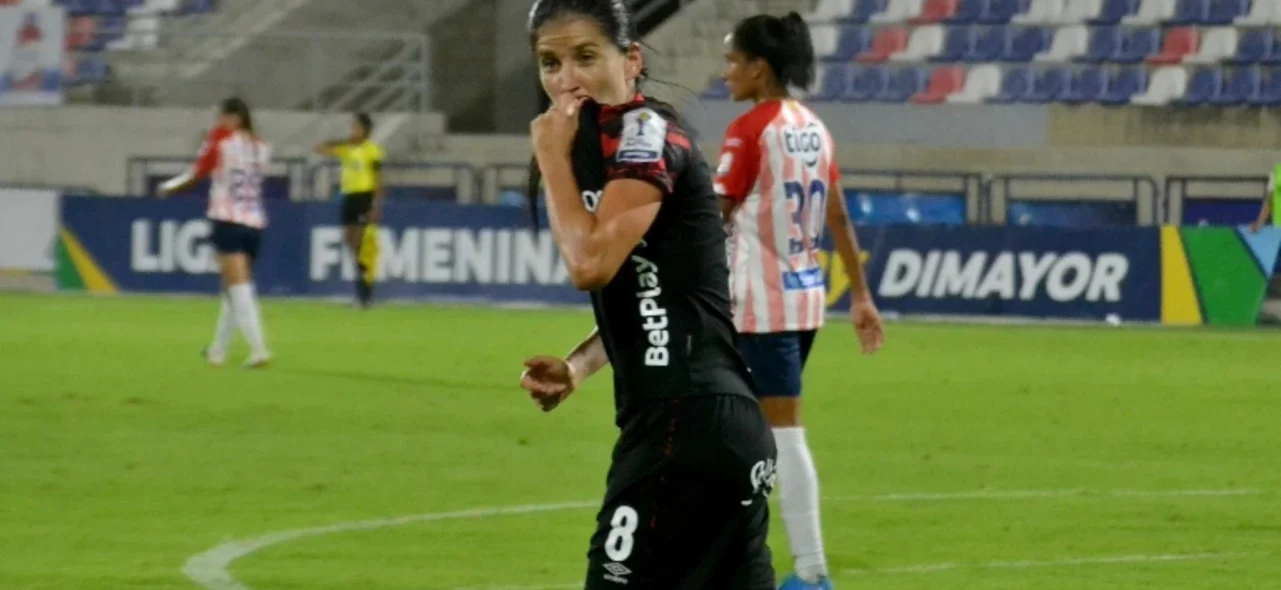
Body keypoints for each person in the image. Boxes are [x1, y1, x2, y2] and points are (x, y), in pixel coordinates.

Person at [516, 1, 778, 588]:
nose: (567, 79)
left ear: (630, 60)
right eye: (549, 63)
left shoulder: (644, 135)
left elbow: (590, 265)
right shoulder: (609, 147)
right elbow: (654, 288)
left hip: (681, 433)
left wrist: (551, 156)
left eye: (586, 57)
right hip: (715, 429)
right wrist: (580, 365)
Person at [714, 12, 886, 590]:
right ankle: (735, 554)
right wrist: (859, 295)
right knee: (745, 430)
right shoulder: (814, 126)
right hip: (804, 300)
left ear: (759, 69)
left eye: (733, 61)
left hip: (759, 304)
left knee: (779, 433)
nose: (726, 72)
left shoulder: (749, 129)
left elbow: (713, 214)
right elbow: (835, 209)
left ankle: (812, 574)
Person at [158, 97, 272, 369]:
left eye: (222, 117)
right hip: (254, 222)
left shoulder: (221, 139)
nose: (219, 122)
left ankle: (259, 349)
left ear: (234, 118)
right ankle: (217, 350)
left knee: (239, 288)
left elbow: (198, 171)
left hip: (227, 219)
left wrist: (169, 187)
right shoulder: (262, 147)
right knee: (232, 290)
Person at [315, 113, 384, 308]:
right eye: (352, 128)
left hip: (364, 197)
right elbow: (319, 148)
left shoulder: (372, 150)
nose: (353, 131)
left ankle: (365, 295)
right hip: (349, 197)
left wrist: (376, 204)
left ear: (366, 131)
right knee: (351, 243)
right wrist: (344, 140)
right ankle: (363, 292)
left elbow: (378, 179)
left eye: (356, 128)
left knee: (361, 245)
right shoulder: (346, 148)